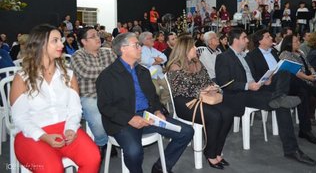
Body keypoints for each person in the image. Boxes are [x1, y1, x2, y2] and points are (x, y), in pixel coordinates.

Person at [215, 28, 316, 166]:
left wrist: (264, 80)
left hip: (256, 89)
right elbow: (224, 83)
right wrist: (247, 86)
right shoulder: (224, 57)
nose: (247, 40)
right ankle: (292, 150)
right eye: (245, 38)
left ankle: (280, 99)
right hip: (240, 95)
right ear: (236, 40)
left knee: (284, 75)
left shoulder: (245, 56)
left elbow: (253, 76)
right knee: (281, 104)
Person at [96, 32, 194, 173]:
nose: (140, 48)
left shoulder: (143, 71)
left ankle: (161, 167)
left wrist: (158, 111)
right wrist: (130, 118)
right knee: (134, 152)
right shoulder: (107, 76)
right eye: (136, 45)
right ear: (123, 49)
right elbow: (104, 107)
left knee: (186, 131)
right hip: (123, 120)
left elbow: (153, 97)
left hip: (149, 116)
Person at [10, 24, 100, 172]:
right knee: (52, 168)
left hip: (65, 128)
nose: (61, 44)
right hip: (32, 134)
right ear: (40, 44)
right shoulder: (22, 78)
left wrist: (71, 128)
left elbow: (75, 108)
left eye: (60, 40)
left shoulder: (68, 75)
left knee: (93, 158)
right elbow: (20, 118)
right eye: (55, 40)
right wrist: (43, 136)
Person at [166, 34, 234, 169]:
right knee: (215, 116)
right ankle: (210, 153)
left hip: (202, 97)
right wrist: (202, 91)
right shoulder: (175, 66)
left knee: (228, 113)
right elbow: (180, 90)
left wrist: (212, 87)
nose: (196, 48)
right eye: (193, 46)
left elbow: (206, 80)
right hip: (184, 102)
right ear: (185, 49)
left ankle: (217, 151)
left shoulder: (197, 62)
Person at [247, 29, 316, 145]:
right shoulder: (251, 56)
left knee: (302, 90)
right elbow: (254, 77)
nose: (271, 38)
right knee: (286, 74)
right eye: (268, 37)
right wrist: (268, 78)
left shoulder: (273, 52)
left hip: (283, 84)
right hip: (268, 86)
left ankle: (305, 130)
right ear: (260, 41)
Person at [71, 27, 117, 157]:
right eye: (93, 36)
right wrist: (109, 71)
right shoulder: (77, 56)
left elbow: (119, 69)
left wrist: (110, 71)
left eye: (98, 35)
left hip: (111, 95)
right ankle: (103, 144)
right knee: (98, 121)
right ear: (84, 41)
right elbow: (86, 72)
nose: (98, 38)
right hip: (89, 96)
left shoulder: (108, 52)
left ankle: (117, 139)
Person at [279, 35, 316, 125]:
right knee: (312, 93)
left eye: (298, 40)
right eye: (296, 41)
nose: (299, 42)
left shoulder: (300, 53)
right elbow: (294, 71)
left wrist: (312, 72)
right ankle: (310, 115)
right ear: (289, 43)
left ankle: (313, 107)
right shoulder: (285, 54)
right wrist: (308, 78)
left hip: (308, 77)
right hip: (297, 80)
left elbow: (309, 65)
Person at [139, 32, 170, 106]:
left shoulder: (153, 50)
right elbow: (147, 61)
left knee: (169, 88)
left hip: (160, 74)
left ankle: (162, 104)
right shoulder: (142, 50)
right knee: (157, 91)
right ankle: (155, 106)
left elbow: (164, 58)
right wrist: (157, 60)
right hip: (150, 76)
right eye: (150, 38)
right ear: (144, 41)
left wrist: (155, 59)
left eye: (152, 37)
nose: (153, 39)